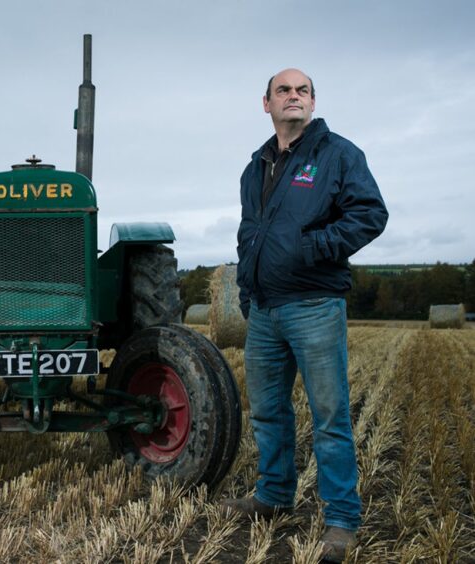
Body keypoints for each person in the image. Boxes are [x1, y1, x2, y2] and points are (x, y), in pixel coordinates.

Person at [222, 68, 388, 562]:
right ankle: (273, 495)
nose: (294, 96)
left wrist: (313, 247)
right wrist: (247, 294)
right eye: (284, 91)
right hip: (266, 311)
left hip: (315, 305)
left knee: (330, 415)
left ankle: (341, 519)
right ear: (266, 103)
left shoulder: (338, 154)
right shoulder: (255, 168)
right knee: (269, 413)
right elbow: (248, 231)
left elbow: (370, 214)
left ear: (313, 102)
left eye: (303, 91)